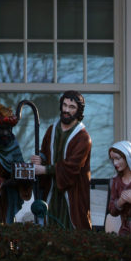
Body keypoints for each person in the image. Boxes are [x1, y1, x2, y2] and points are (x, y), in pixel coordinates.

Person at [30, 91, 92, 230]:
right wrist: (41, 159)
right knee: (48, 227)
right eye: (64, 105)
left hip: (72, 193)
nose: (66, 110)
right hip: (51, 191)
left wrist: (45, 169)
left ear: (78, 110)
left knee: (71, 228)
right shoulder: (52, 130)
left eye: (71, 107)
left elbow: (72, 167)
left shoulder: (83, 138)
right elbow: (46, 152)